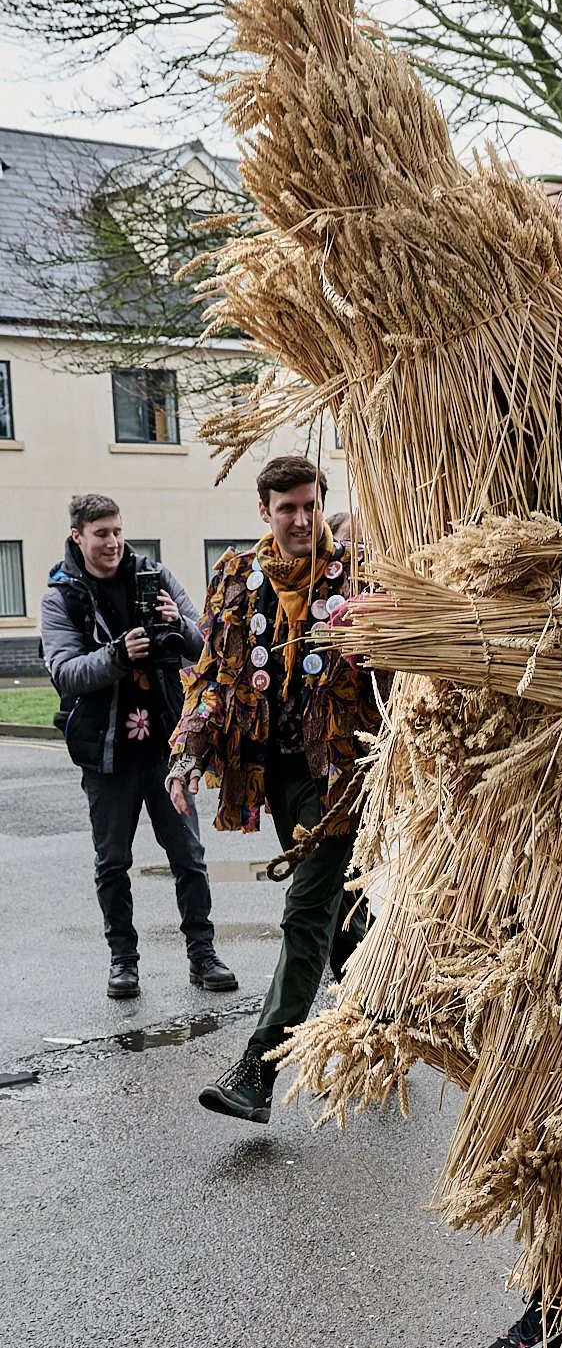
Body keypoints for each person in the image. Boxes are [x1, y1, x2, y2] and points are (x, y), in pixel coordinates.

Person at [171, 456, 380, 1124]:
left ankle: (257, 1071)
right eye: (286, 508)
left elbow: (400, 671)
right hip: (274, 773)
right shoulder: (236, 578)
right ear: (264, 511)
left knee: (306, 911)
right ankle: (381, 1018)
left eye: (310, 506)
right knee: (340, 919)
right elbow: (210, 679)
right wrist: (185, 757)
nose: (300, 520)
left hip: (342, 774)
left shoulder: (360, 573)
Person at [41, 493, 236, 1000]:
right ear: (77, 537)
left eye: (117, 531)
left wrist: (179, 627)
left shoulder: (155, 576)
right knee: (113, 862)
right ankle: (123, 962)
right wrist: (117, 655)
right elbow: (65, 672)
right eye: (101, 533)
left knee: (188, 854)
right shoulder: (62, 596)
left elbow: (207, 644)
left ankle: (203, 955)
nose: (112, 543)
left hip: (169, 744)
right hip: (106, 752)